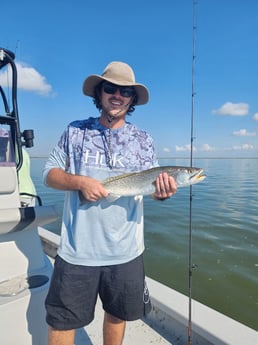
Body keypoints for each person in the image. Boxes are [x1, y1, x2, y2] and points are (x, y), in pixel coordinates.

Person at [43, 61, 177, 345]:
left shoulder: (143, 140)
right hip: (77, 252)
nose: (117, 95)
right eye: (110, 88)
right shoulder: (75, 131)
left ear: (133, 99)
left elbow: (151, 188)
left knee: (117, 316)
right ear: (99, 93)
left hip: (126, 252)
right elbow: (49, 174)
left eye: (125, 91)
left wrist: (161, 193)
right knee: (62, 321)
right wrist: (80, 182)